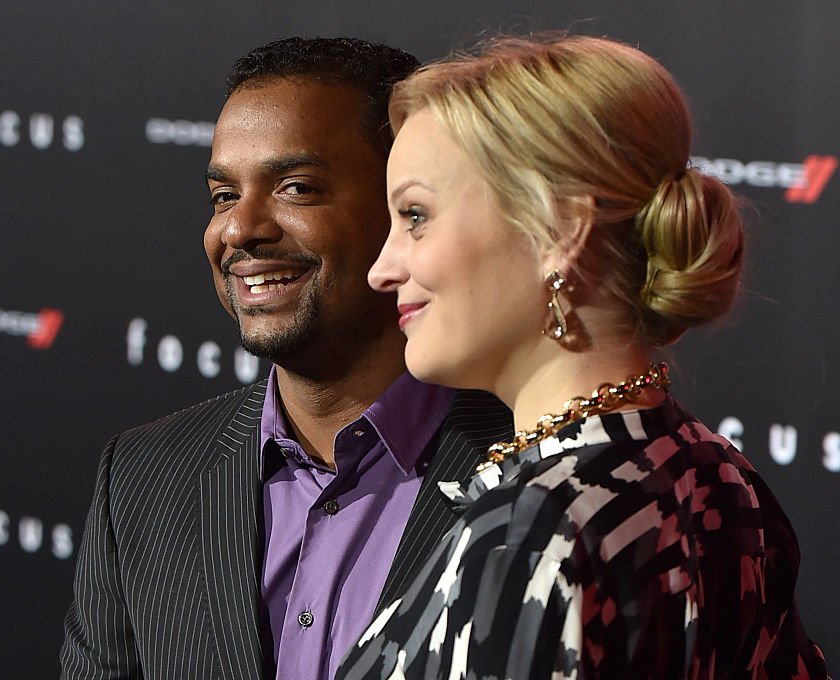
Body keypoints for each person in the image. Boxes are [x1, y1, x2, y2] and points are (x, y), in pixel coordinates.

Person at [337, 34, 829, 679]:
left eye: (416, 215)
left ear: (559, 231)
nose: (382, 268)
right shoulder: (718, 474)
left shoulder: (539, 534)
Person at [59, 37, 512, 680]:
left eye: (296, 187)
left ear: (408, 208)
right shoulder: (140, 479)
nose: (239, 229)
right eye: (222, 196)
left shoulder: (538, 469)